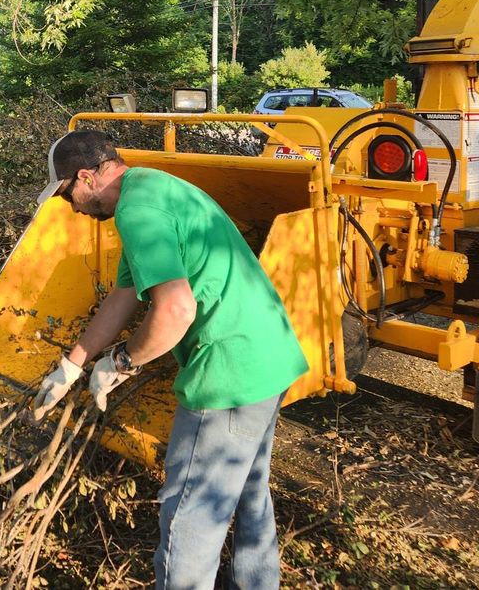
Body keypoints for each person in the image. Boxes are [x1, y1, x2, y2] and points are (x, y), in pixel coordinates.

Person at [31, 129, 307, 590]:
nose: (72, 208)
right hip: (269, 355)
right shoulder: (151, 188)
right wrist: (73, 364)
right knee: (248, 491)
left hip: (228, 374)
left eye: (66, 195)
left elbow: (176, 310)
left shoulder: (137, 212)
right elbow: (124, 294)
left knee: (191, 515)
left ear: (86, 177)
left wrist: (122, 362)